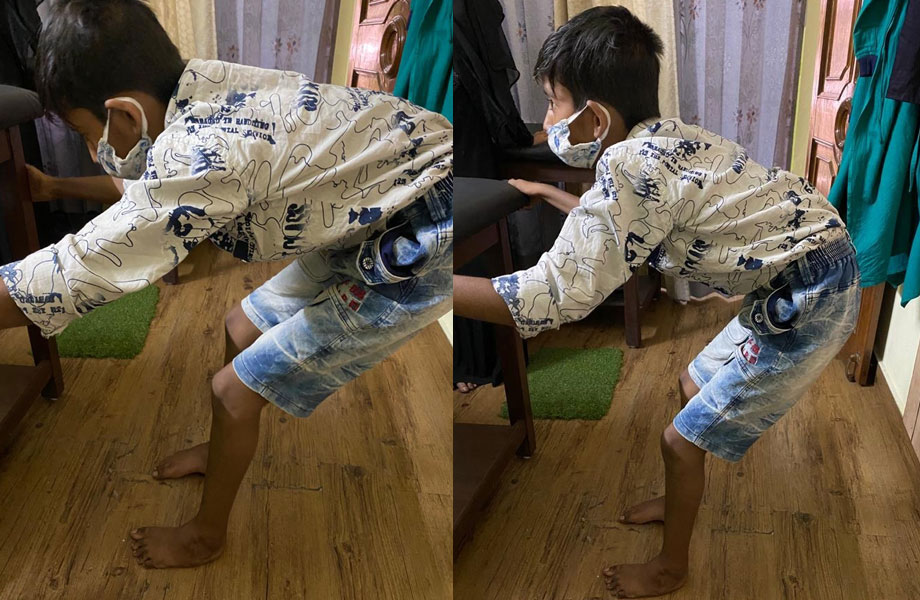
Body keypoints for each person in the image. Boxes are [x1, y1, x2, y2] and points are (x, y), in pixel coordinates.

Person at [0, 0, 452, 569]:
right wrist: (56, 187)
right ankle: (221, 449)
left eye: (89, 136)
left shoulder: (205, 151)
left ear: (124, 113)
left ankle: (205, 537)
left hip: (426, 237)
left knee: (234, 389)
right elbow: (151, 192)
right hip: (381, 204)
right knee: (239, 325)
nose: (97, 151)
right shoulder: (201, 86)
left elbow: (75, 271)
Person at [453, 7, 859, 598]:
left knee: (680, 438)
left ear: (595, 117)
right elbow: (619, 229)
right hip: (810, 266)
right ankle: (678, 501)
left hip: (811, 292)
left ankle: (672, 567)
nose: (548, 121)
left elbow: (549, 297)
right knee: (690, 386)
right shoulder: (665, 138)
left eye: (554, 103)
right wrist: (547, 191)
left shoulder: (630, 165)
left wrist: (429, 285)